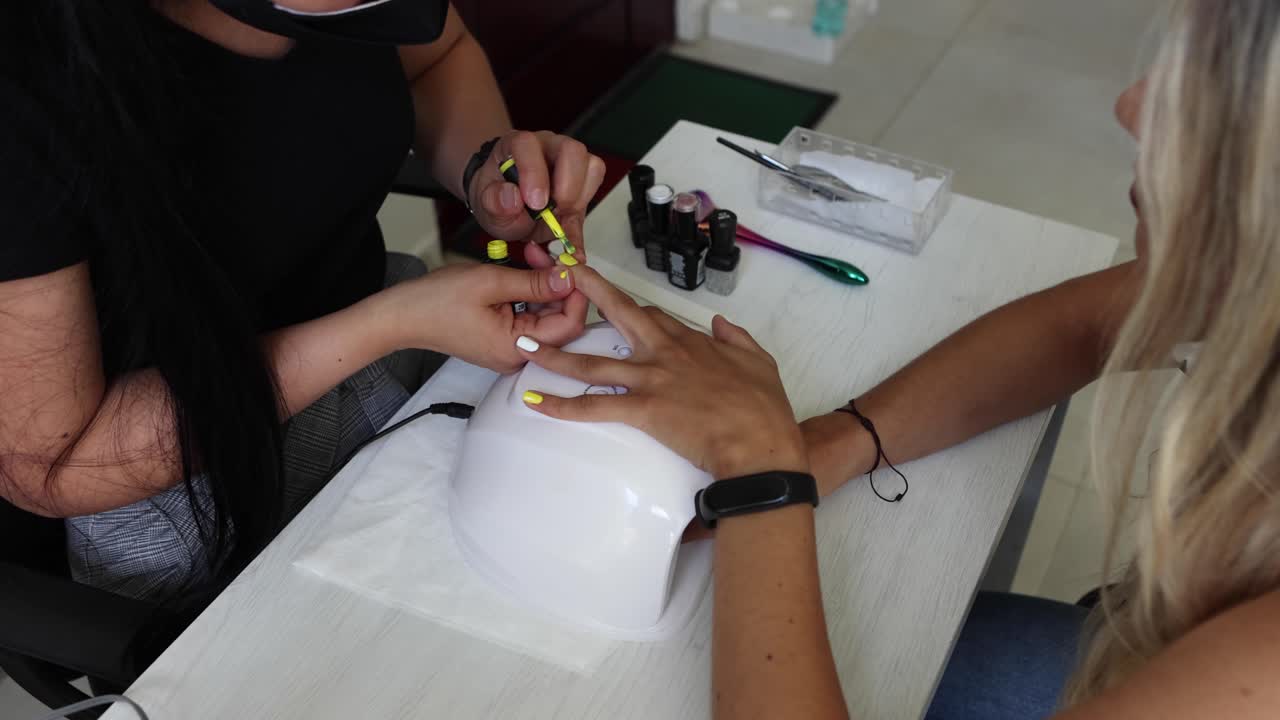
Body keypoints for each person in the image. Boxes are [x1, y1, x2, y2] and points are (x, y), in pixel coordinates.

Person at [518, 0, 1280, 717]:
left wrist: (760, 469)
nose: (1134, 108)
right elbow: (1080, 325)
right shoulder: (1249, 288)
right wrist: (838, 441)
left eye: (1221, 86)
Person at [0, 0, 603, 603]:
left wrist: (485, 172)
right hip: (188, 495)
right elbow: (55, 463)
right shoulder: (27, 84)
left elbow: (438, 56)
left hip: (393, 372)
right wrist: (392, 324)